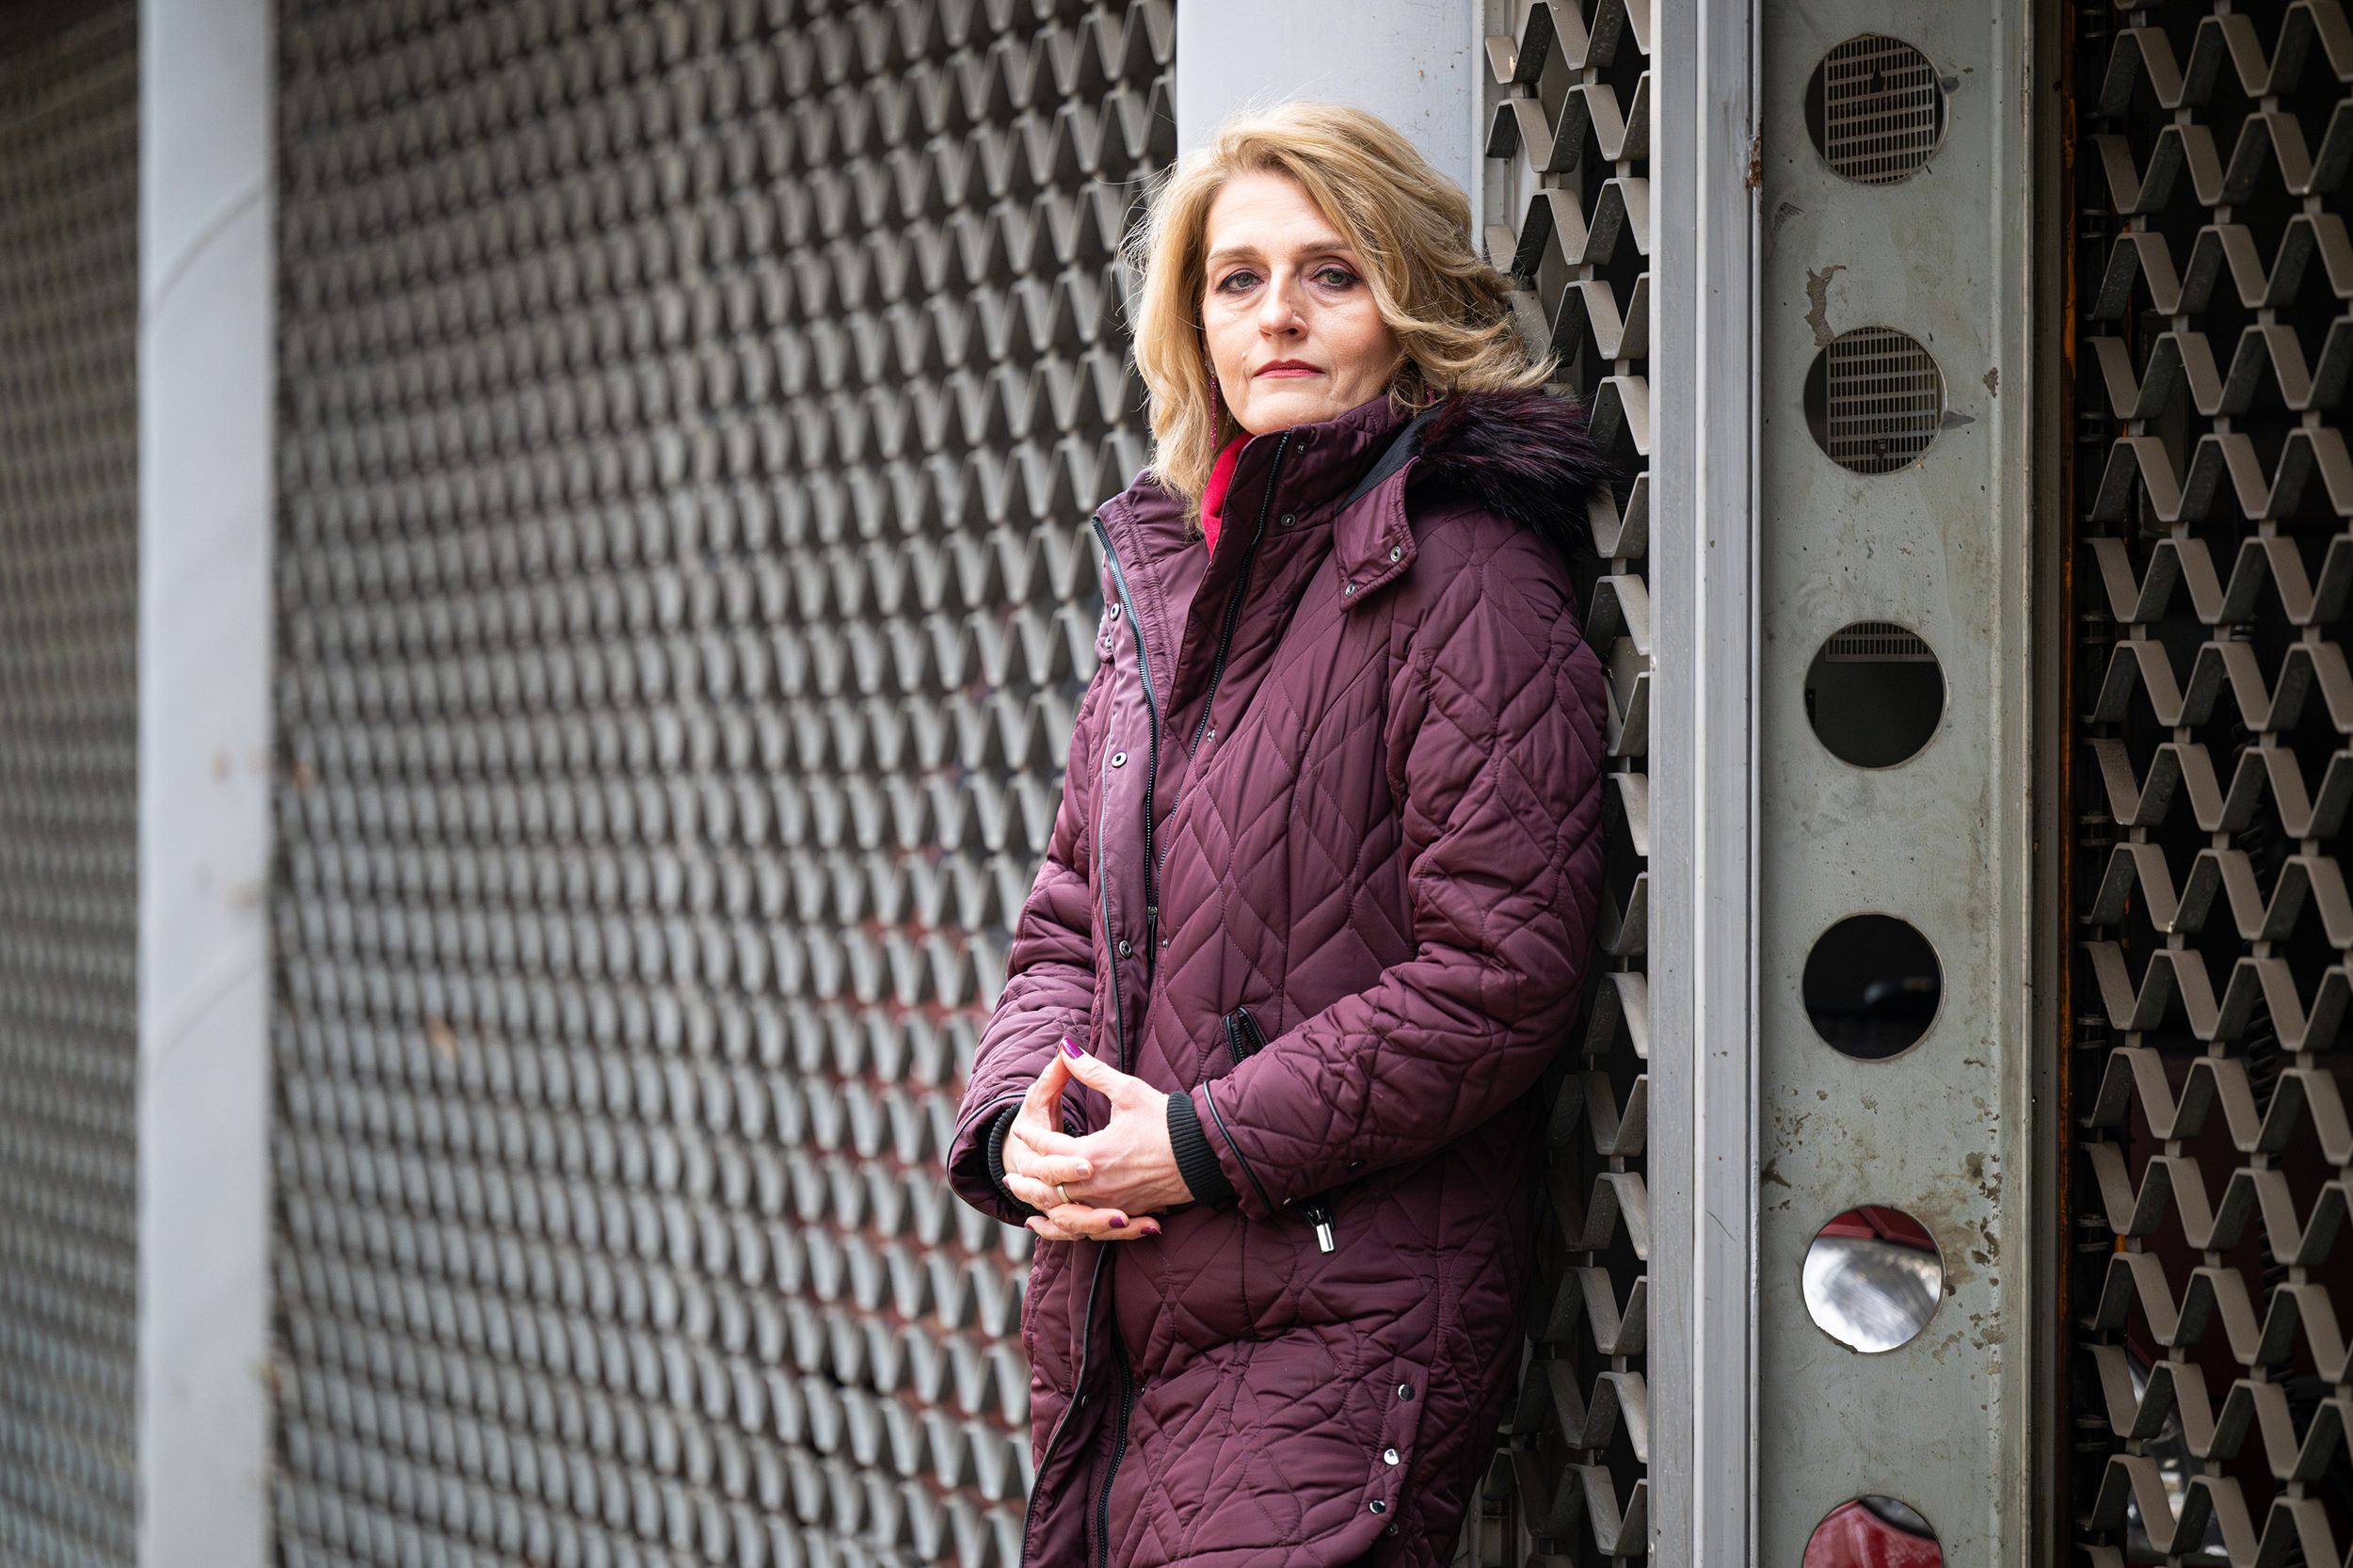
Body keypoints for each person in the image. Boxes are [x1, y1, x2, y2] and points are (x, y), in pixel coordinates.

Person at [944, 101, 1610, 1568]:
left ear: (1409, 303)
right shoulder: (1174, 587)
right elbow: (1069, 913)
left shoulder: (1464, 573)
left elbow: (1500, 970)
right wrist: (1018, 1126)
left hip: (1337, 1324)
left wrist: (1195, 1143)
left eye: (1332, 273)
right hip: (1127, 1331)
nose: (1278, 316)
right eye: (1237, 278)